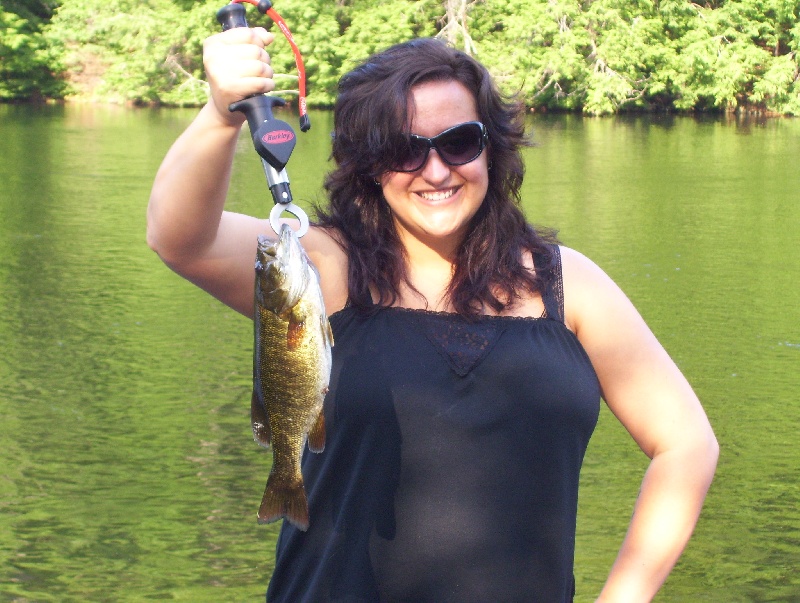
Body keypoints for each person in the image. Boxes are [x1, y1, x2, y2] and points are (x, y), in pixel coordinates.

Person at [147, 26, 719, 603]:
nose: (436, 170)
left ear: (491, 147)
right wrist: (221, 115)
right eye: (403, 150)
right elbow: (179, 239)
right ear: (370, 165)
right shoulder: (318, 267)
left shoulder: (569, 285)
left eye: (459, 142)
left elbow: (686, 444)